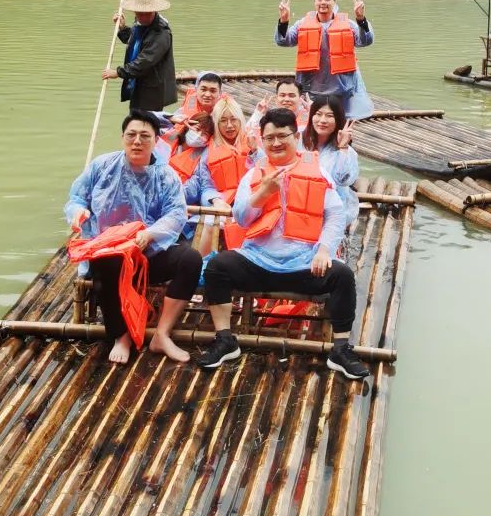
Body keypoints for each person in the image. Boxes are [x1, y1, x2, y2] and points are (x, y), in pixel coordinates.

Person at [196, 107, 370, 381]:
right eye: (269, 138)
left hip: (303, 264)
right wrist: (262, 193)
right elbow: (240, 218)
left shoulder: (318, 171)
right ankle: (225, 340)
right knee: (218, 266)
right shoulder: (253, 175)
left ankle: (341, 350)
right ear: (262, 140)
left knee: (343, 276)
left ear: (295, 135)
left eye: (282, 136)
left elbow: (335, 214)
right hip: (259, 261)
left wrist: (324, 249)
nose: (275, 143)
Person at [64, 110, 202, 364]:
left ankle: (162, 334)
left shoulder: (166, 175)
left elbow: (175, 214)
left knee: (191, 260)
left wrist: (151, 234)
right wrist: (78, 212)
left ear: (156, 140)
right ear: (123, 138)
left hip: (147, 253)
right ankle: (121, 335)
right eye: (131, 135)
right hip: (109, 250)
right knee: (105, 263)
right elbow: (76, 198)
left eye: (144, 136)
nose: (137, 141)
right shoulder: (102, 165)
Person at [275, 0, 374, 118]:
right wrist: (283, 21)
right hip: (312, 89)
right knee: (314, 126)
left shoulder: (349, 25)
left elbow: (365, 41)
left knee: (340, 125)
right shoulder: (302, 24)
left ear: (334, 1)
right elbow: (283, 41)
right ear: (314, 1)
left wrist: (361, 19)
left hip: (342, 89)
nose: (323, 2)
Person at [191, 94, 253, 256]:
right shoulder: (208, 152)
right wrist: (217, 201)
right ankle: (202, 266)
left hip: (251, 203)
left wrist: (257, 152)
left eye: (233, 119)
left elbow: (265, 172)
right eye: (223, 121)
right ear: (216, 124)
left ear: (240, 120)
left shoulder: (254, 144)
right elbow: (206, 186)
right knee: (211, 222)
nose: (229, 125)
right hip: (222, 204)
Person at [102, 0, 176, 112]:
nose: (141, 17)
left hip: (152, 89)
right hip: (138, 83)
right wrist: (122, 28)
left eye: (145, 14)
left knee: (146, 122)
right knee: (135, 116)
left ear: (153, 12)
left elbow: (144, 62)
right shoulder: (141, 23)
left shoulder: (161, 33)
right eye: (138, 14)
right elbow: (135, 43)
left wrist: (118, 72)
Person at [303, 94, 360, 229]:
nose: (322, 120)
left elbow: (343, 180)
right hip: (301, 203)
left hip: (330, 211)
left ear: (338, 120)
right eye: (318, 114)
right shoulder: (300, 140)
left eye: (329, 116)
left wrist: (343, 147)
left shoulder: (346, 152)